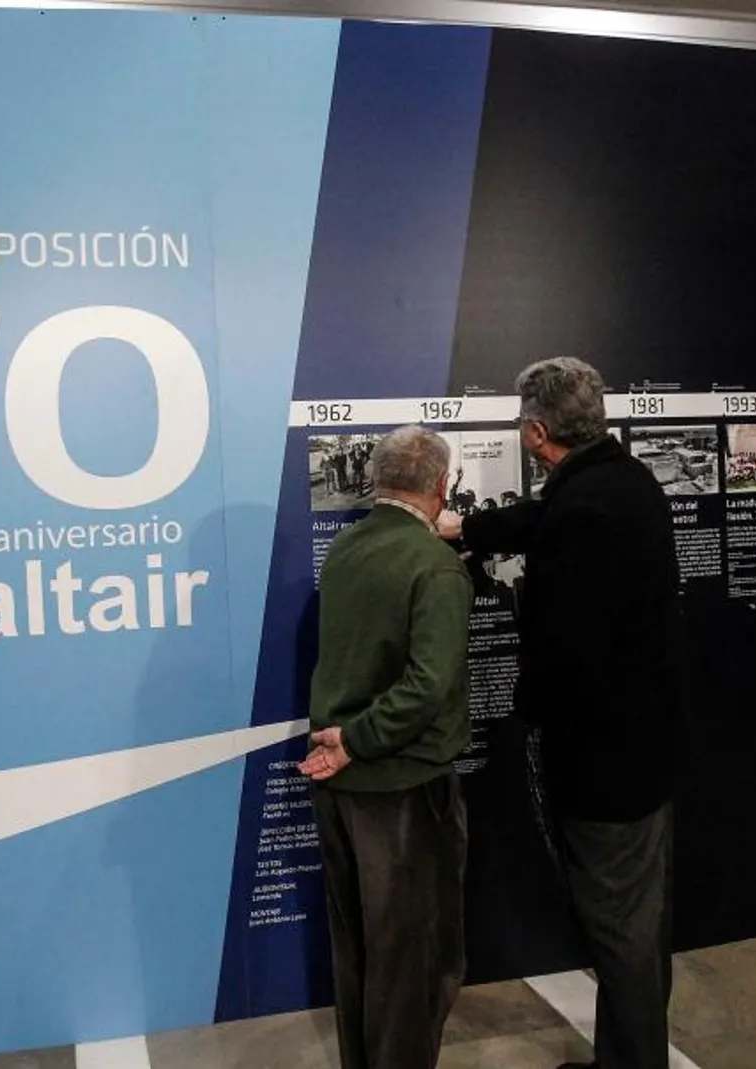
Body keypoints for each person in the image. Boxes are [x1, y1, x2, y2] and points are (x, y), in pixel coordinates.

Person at [438, 357, 681, 1069]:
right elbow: (541, 518)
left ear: (538, 432)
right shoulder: (624, 479)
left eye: (524, 423)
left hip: (604, 762)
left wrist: (529, 703)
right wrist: (470, 527)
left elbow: (567, 650)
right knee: (637, 919)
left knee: (618, 927)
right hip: (645, 748)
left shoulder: (584, 510)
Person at [302, 425, 474, 1069]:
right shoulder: (435, 567)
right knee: (416, 964)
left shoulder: (345, 547)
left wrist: (347, 743)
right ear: (442, 484)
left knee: (360, 955)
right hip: (403, 790)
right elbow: (428, 686)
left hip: (340, 787)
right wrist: (360, 741)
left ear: (376, 478)